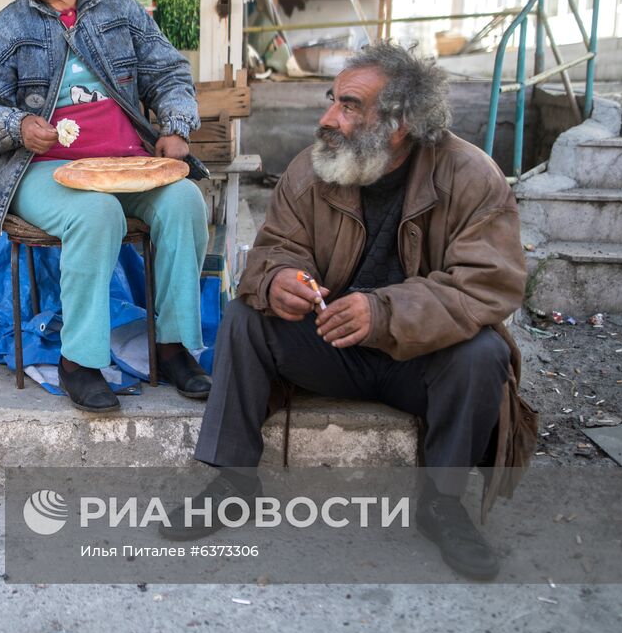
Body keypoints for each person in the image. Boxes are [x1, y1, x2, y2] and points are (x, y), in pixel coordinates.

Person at [186, 42, 537, 579]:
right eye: (333, 100)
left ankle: (442, 504)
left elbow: (490, 285)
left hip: (423, 362)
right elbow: (275, 248)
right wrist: (280, 277)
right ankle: (235, 480)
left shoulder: (471, 176)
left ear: (400, 121)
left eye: (349, 106)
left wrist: (386, 312)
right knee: (246, 316)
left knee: (483, 353)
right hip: (332, 348)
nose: (328, 117)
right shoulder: (313, 169)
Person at [0, 0, 212, 413]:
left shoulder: (120, 10)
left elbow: (169, 73)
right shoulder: (6, 29)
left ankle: (175, 346)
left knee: (184, 199)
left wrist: (175, 127)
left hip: (125, 163)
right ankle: (81, 361)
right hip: (40, 171)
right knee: (96, 213)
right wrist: (18, 127)